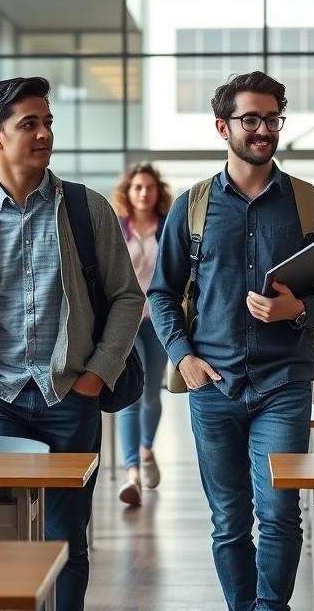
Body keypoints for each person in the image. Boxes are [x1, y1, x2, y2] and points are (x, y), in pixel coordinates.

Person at [0, 76, 143, 611]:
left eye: (48, 122)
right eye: (30, 124)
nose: (45, 133)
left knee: (66, 537)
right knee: (1, 536)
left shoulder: (87, 210)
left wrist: (95, 376)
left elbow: (126, 297)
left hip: (70, 396)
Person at [148, 71, 314, 611]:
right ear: (223, 127)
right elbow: (162, 293)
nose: (264, 130)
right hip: (212, 385)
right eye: (251, 119)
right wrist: (183, 357)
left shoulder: (309, 203)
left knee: (280, 514)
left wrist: (300, 310)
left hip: (284, 383)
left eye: (272, 119)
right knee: (229, 520)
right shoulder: (191, 207)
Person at [110, 161, 173, 507]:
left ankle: (147, 449)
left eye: (149, 187)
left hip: (159, 322)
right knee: (130, 395)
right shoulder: (118, 228)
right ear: (128, 192)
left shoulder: (168, 227)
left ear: (157, 192)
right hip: (126, 323)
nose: (143, 193)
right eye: (137, 187)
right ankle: (132, 472)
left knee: (151, 395)